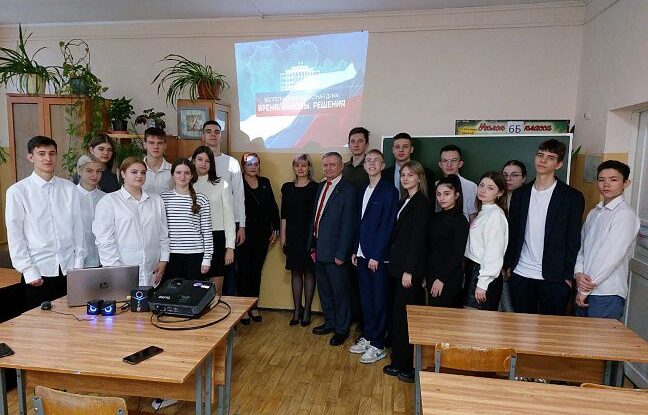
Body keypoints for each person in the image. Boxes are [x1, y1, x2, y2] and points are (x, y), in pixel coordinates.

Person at [504, 139, 585, 315]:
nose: (543, 160)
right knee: (521, 326)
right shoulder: (520, 194)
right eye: (540, 155)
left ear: (559, 164)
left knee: (551, 328)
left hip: (555, 278)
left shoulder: (572, 197)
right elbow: (513, 233)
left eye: (550, 157)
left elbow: (573, 239)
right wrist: (509, 266)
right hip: (521, 273)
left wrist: (568, 277)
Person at [6, 136, 86, 311]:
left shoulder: (69, 188)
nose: (48, 158)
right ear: (31, 157)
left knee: (72, 319)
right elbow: (15, 235)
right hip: (38, 271)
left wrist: (78, 264)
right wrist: (28, 270)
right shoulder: (18, 192)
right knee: (39, 323)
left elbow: (78, 229)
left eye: (52, 153)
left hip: (69, 268)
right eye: (41, 154)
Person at [383, 161, 431, 383]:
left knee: (408, 319)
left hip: (408, 271)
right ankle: (398, 361)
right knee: (399, 317)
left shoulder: (422, 203)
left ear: (419, 178)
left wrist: (409, 271)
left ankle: (409, 365)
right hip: (398, 267)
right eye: (403, 175)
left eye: (410, 175)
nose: (405, 178)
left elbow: (417, 240)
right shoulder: (405, 200)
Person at [349, 149, 399, 364]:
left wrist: (377, 255)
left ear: (383, 165)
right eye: (368, 160)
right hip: (361, 254)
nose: (371, 164)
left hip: (377, 257)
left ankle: (378, 344)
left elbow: (388, 225)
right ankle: (369, 337)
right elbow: (358, 223)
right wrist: (355, 249)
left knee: (379, 301)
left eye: (376, 161)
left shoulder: (389, 191)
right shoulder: (362, 189)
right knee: (366, 300)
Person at [574, 160, 639, 320]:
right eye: (601, 180)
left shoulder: (624, 214)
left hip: (607, 293)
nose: (606, 184)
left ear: (626, 183)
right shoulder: (595, 212)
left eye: (613, 180)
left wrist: (585, 289)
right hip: (583, 289)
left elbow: (611, 256)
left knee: (600, 336)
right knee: (581, 335)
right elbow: (583, 248)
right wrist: (578, 273)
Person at [93, 157, 170, 287]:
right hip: (122, 270)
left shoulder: (156, 200)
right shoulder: (109, 201)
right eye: (134, 172)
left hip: (152, 270)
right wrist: (115, 269)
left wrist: (163, 260)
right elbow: (104, 240)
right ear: (123, 174)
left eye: (143, 172)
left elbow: (163, 234)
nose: (139, 176)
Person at [308, 152, 356, 347]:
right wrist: (312, 244)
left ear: (341, 166)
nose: (328, 168)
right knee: (325, 291)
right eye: (325, 165)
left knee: (340, 293)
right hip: (319, 249)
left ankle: (342, 329)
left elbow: (349, 225)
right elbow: (316, 217)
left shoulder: (349, 190)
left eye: (332, 165)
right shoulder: (321, 186)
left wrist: (342, 254)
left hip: (336, 253)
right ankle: (329, 322)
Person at [201, 120, 245, 296]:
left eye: (216, 131)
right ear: (202, 136)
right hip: (199, 228)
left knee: (227, 272)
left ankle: (225, 309)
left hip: (226, 225)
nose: (213, 134)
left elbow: (239, 196)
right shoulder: (192, 162)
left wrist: (241, 225)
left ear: (221, 135)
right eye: (208, 131)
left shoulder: (231, 162)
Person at [237, 152, 280, 324]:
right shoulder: (237, 182)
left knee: (256, 271)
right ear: (243, 166)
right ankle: (243, 309)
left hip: (262, 234)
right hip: (243, 234)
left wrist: (275, 228)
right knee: (243, 271)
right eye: (249, 164)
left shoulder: (265, 182)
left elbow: (272, 207)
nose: (253, 167)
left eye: (255, 164)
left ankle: (254, 305)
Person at [280, 154, 319, 326]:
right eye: (297, 165)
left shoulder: (316, 187)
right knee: (295, 272)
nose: (300, 168)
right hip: (293, 236)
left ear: (309, 167)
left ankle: (307, 310)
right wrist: (283, 237)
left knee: (309, 272)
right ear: (293, 167)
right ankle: (297, 310)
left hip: (309, 236)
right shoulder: (287, 187)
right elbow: (284, 214)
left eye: (304, 165)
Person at [192, 146, 236, 296]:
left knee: (216, 289)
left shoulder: (221, 183)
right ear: (193, 161)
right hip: (194, 239)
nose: (203, 164)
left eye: (208, 161)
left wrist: (230, 247)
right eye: (200, 159)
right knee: (195, 288)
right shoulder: (186, 183)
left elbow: (229, 217)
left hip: (217, 236)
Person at [160, 159, 213, 281]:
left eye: (187, 173)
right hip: (172, 255)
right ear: (172, 174)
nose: (182, 176)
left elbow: (207, 231)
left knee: (194, 291)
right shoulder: (163, 198)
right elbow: (160, 231)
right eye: (178, 172)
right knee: (174, 291)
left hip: (196, 255)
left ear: (192, 175)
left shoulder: (201, 199)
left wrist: (207, 258)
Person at [464, 171, 508, 311]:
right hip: (474, 270)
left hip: (483, 274)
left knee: (476, 319)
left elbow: (494, 252)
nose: (483, 190)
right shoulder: (484, 212)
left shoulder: (495, 215)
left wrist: (482, 284)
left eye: (490, 188)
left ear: (500, 193)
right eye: (481, 185)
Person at [341, 126, 370, 332]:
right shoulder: (343, 168)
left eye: (360, 141)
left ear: (366, 144)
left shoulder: (371, 167)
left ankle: (363, 319)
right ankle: (349, 315)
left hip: (364, 229)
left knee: (362, 278)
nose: (356, 145)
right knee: (346, 278)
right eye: (353, 141)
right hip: (344, 229)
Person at [426, 175, 469, 308]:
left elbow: (457, 254)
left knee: (443, 314)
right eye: (438, 194)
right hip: (432, 273)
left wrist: (441, 279)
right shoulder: (436, 217)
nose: (441, 198)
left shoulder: (460, 221)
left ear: (456, 195)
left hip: (448, 277)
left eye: (446, 194)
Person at [499, 160, 527, 312]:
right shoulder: (495, 200)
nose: (508, 179)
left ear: (524, 178)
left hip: (520, 264)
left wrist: (510, 264)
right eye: (505, 175)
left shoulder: (528, 201)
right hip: (497, 263)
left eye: (514, 175)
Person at [76, 155, 106, 268]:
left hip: (103, 260)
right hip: (77, 262)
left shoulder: (106, 198)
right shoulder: (70, 196)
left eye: (98, 171)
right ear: (79, 171)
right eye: (89, 171)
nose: (95, 175)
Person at [437, 144, 478, 221]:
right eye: (445, 161)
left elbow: (472, 216)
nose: (449, 165)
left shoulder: (471, 186)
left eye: (454, 160)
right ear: (440, 164)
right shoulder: (435, 185)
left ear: (460, 164)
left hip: (464, 227)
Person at [142, 127, 172, 194]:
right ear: (145, 144)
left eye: (160, 143)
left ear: (165, 145)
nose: (156, 147)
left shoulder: (174, 171)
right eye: (151, 143)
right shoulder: (135, 171)